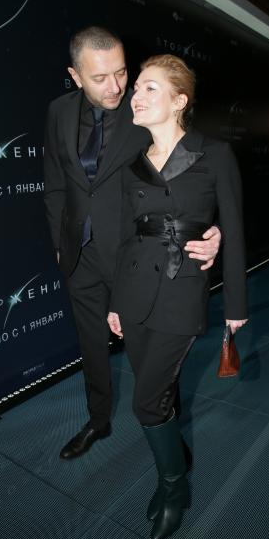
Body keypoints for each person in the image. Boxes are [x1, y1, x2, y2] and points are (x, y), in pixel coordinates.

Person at [44, 27, 221, 460]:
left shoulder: (144, 108)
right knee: (91, 347)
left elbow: (192, 172)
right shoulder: (58, 112)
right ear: (74, 75)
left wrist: (212, 230)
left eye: (121, 73)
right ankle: (97, 420)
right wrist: (60, 243)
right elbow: (55, 184)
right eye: (99, 77)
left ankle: (166, 427)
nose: (116, 87)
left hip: (138, 255)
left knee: (151, 359)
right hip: (80, 255)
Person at [107, 54, 248, 539]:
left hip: (181, 292)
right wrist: (114, 302)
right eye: (136, 89)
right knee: (160, 393)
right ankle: (177, 457)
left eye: (149, 88)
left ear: (179, 101)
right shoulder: (133, 164)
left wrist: (235, 307)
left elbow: (232, 227)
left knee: (146, 402)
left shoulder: (215, 154)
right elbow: (125, 238)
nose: (135, 96)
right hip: (133, 295)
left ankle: (174, 488)